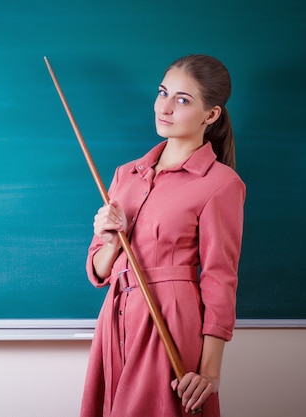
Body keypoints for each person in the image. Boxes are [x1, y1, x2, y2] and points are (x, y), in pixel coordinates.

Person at [80, 54, 246, 417]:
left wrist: (210, 372)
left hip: (169, 317)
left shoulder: (221, 184)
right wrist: (109, 238)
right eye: (162, 93)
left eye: (182, 100)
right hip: (115, 317)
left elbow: (220, 277)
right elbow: (99, 270)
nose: (165, 107)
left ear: (211, 115)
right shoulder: (127, 173)